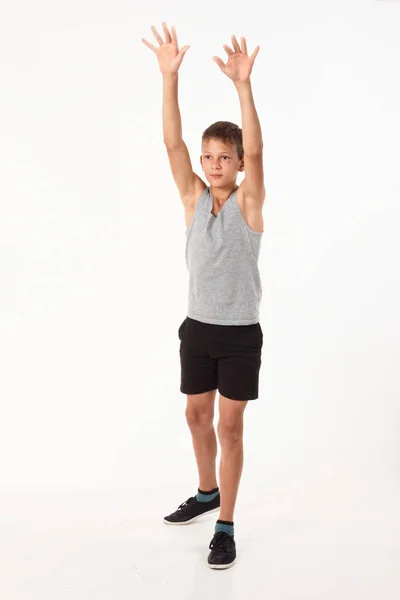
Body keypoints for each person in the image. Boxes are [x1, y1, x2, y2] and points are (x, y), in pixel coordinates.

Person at [142, 22, 265, 570]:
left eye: (225, 157)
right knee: (196, 417)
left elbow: (259, 155)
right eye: (209, 156)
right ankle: (206, 491)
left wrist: (244, 87)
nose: (215, 164)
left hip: (239, 336)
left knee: (230, 426)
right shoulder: (193, 200)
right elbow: (171, 143)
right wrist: (169, 76)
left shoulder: (248, 205)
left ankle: (226, 524)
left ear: (237, 165)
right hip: (198, 329)